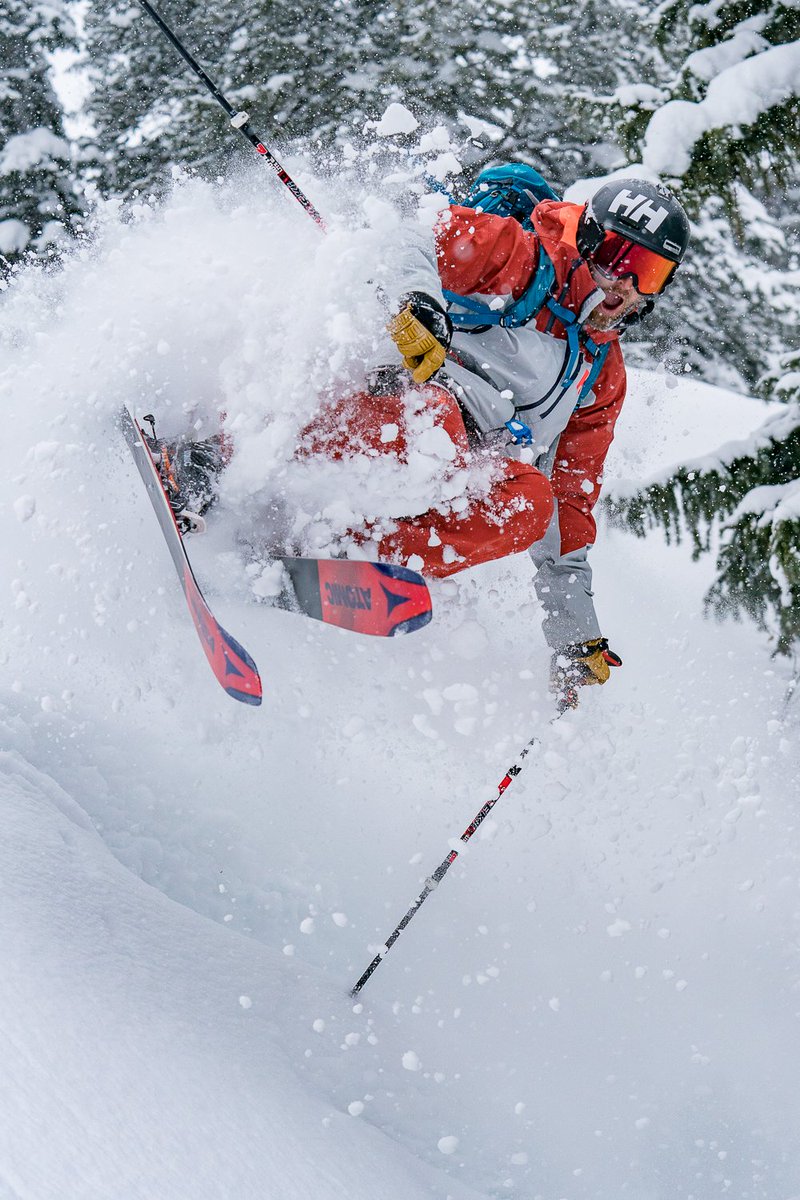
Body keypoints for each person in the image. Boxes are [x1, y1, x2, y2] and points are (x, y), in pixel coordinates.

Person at [153, 174, 690, 709]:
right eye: (618, 257)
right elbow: (408, 235)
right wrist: (420, 301)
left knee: (530, 503)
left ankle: (336, 555)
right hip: (395, 393)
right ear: (590, 238)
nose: (625, 283)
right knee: (433, 421)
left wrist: (574, 635)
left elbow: (571, 499)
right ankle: (205, 460)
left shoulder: (600, 372)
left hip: (452, 459)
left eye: (648, 272)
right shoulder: (524, 259)